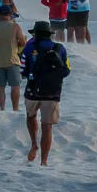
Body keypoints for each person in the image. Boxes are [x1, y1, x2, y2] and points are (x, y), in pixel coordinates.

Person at [22, 20, 69, 166]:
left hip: (32, 91)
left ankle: (34, 143)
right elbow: (66, 71)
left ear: (35, 34)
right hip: (52, 93)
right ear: (49, 34)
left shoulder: (29, 48)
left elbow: (22, 70)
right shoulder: (60, 48)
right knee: (47, 126)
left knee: (31, 116)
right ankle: (44, 161)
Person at [0, 6, 27, 111]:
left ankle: (2, 109)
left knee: (0, 87)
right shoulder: (15, 26)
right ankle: (15, 108)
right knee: (15, 86)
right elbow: (23, 42)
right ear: (10, 15)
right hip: (13, 60)